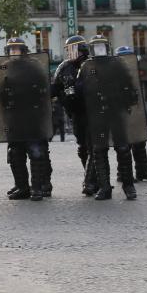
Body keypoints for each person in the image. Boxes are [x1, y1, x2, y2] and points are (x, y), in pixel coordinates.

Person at [76, 35, 135, 200]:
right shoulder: (86, 66)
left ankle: (128, 185)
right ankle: (104, 187)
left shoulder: (117, 64)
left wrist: (127, 103)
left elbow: (129, 85)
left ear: (107, 47)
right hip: (97, 115)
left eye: (102, 46)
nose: (99, 50)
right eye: (96, 47)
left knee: (123, 149)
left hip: (116, 112)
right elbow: (79, 89)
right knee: (99, 150)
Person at [0, 37, 53, 201]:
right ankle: (22, 187)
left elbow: (45, 90)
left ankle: (38, 187)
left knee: (36, 152)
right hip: (14, 117)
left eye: (17, 49)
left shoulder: (35, 66)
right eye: (11, 49)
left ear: (23, 50)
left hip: (33, 116)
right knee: (15, 153)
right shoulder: (4, 68)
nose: (14, 52)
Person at [52, 35, 95, 195]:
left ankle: (90, 182)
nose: (70, 53)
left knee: (93, 147)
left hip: (93, 112)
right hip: (76, 113)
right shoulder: (64, 67)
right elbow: (55, 88)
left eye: (73, 49)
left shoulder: (91, 64)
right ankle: (93, 179)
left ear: (82, 49)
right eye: (68, 50)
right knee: (83, 148)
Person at [114, 46, 147, 183]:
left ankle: (142, 171)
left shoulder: (134, 73)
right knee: (124, 146)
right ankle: (122, 174)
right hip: (121, 113)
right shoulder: (113, 74)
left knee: (139, 141)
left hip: (135, 112)